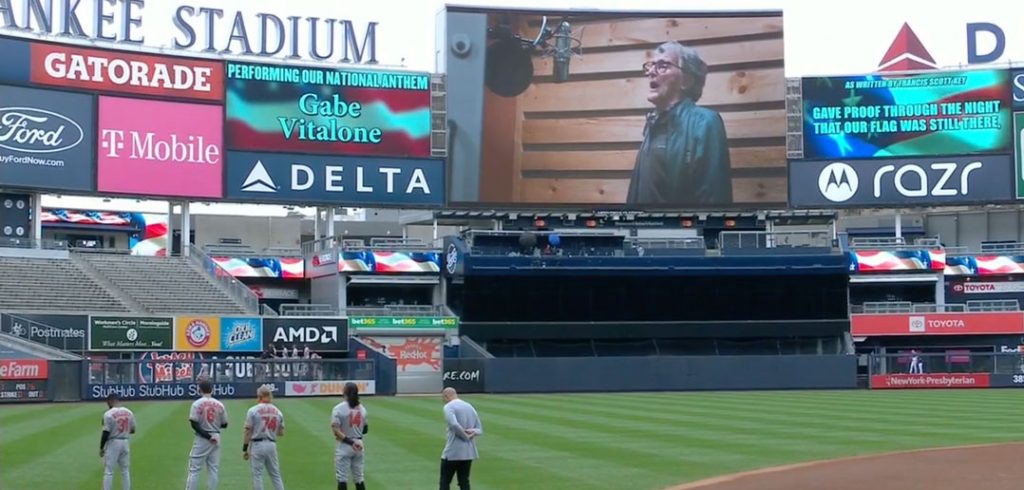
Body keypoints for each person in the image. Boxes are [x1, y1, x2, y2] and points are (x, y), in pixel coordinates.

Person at [626, 41, 732, 207]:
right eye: (650, 66)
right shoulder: (653, 124)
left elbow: (714, 201)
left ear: (687, 80)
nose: (651, 72)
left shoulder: (705, 123)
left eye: (663, 66)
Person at [186, 378, 229, 490]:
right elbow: (225, 424)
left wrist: (207, 436)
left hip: (202, 438)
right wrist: (213, 428)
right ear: (212, 389)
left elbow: (194, 424)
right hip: (216, 436)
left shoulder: (196, 404)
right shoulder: (219, 404)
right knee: (213, 469)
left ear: (199, 390)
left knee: (194, 469)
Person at [243, 385, 286, 490]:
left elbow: (248, 430)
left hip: (257, 444)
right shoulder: (278, 412)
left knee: (257, 475)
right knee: (275, 474)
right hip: (271, 443)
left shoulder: (253, 410)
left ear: (259, 396)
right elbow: (281, 432)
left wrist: (245, 448)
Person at [440, 387, 483, 490]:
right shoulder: (469, 406)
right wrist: (471, 433)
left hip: (453, 452)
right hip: (468, 452)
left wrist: (465, 435)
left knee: (445, 482)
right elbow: (479, 429)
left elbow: (454, 424)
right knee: (464, 481)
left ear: (446, 396)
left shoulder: (449, 407)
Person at [331, 382, 369, 490]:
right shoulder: (363, 409)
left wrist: (350, 442)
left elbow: (335, 430)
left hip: (344, 444)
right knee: (359, 478)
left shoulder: (338, 408)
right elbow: (365, 430)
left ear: (345, 392)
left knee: (342, 477)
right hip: (359, 444)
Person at [101, 393, 136, 490]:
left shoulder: (108, 414)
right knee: (125, 471)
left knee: (109, 471)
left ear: (111, 401)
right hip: (125, 441)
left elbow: (105, 433)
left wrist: (101, 448)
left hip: (113, 442)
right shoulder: (129, 412)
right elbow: (133, 430)